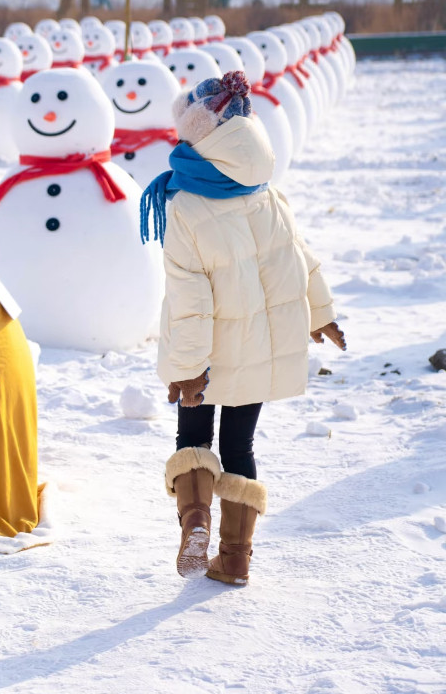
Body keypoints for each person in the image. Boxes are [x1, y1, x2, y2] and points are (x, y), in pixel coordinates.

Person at [140, 71, 346, 585]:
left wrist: (188, 370)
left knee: (193, 436)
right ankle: (234, 559)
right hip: (257, 351)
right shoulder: (266, 193)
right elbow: (302, 259)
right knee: (239, 447)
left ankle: (195, 520)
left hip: (204, 360)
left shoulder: (186, 204)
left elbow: (189, 300)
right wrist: (322, 312)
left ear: (201, 135)